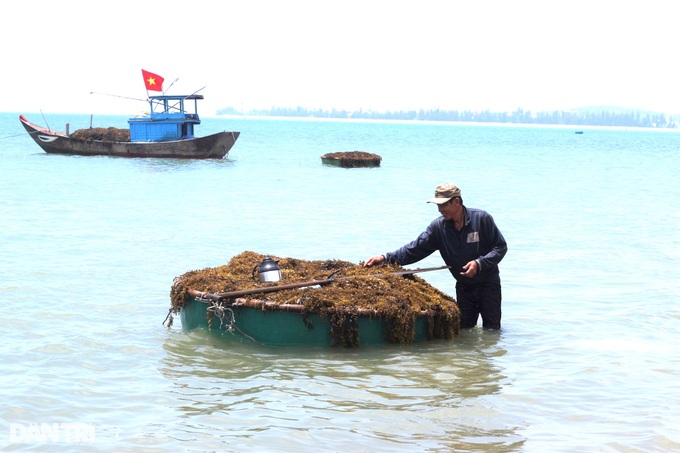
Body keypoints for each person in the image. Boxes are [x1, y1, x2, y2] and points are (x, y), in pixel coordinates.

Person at [364, 183, 507, 329]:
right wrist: (385, 258)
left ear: (456, 201)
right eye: (438, 205)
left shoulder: (482, 219)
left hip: (488, 285)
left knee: (492, 332)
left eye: (443, 205)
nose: (440, 210)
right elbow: (414, 249)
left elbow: (500, 247)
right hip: (464, 287)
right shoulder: (438, 228)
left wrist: (479, 264)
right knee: (464, 333)